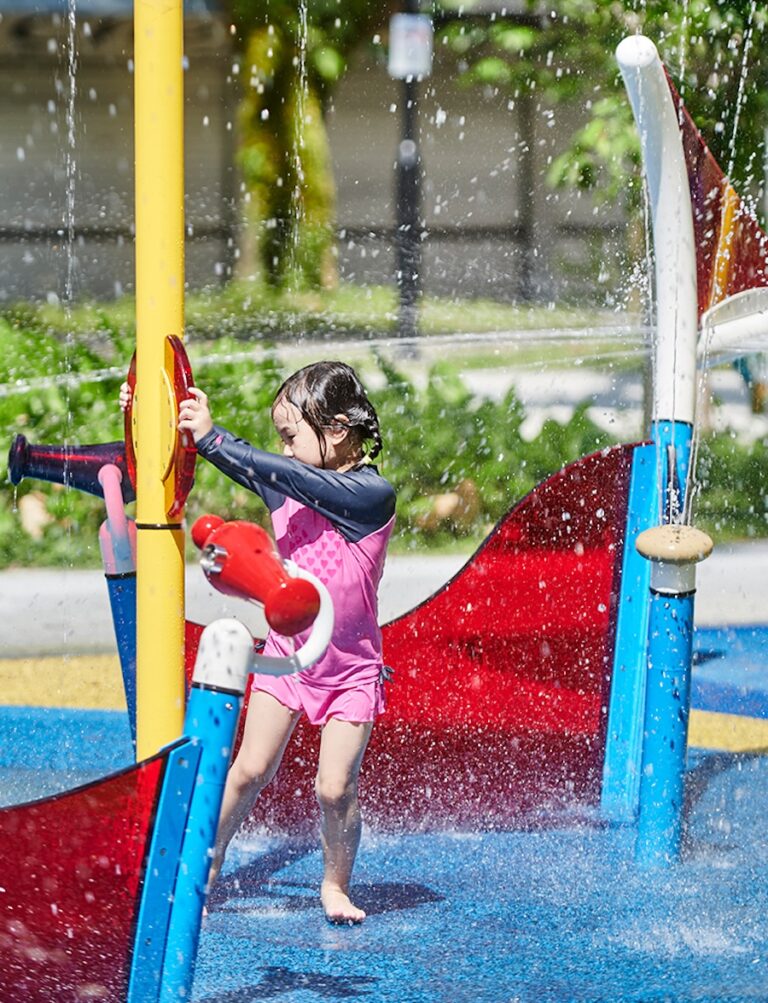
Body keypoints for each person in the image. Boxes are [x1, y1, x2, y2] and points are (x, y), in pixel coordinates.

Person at [121, 361, 395, 924]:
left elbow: (295, 478)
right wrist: (169, 415)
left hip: (349, 671)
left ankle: (335, 886)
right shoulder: (288, 476)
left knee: (334, 789)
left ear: (338, 430)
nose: (285, 451)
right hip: (287, 658)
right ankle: (208, 860)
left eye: (292, 436)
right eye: (281, 441)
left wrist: (221, 439)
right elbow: (249, 463)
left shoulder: (371, 496)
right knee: (247, 770)